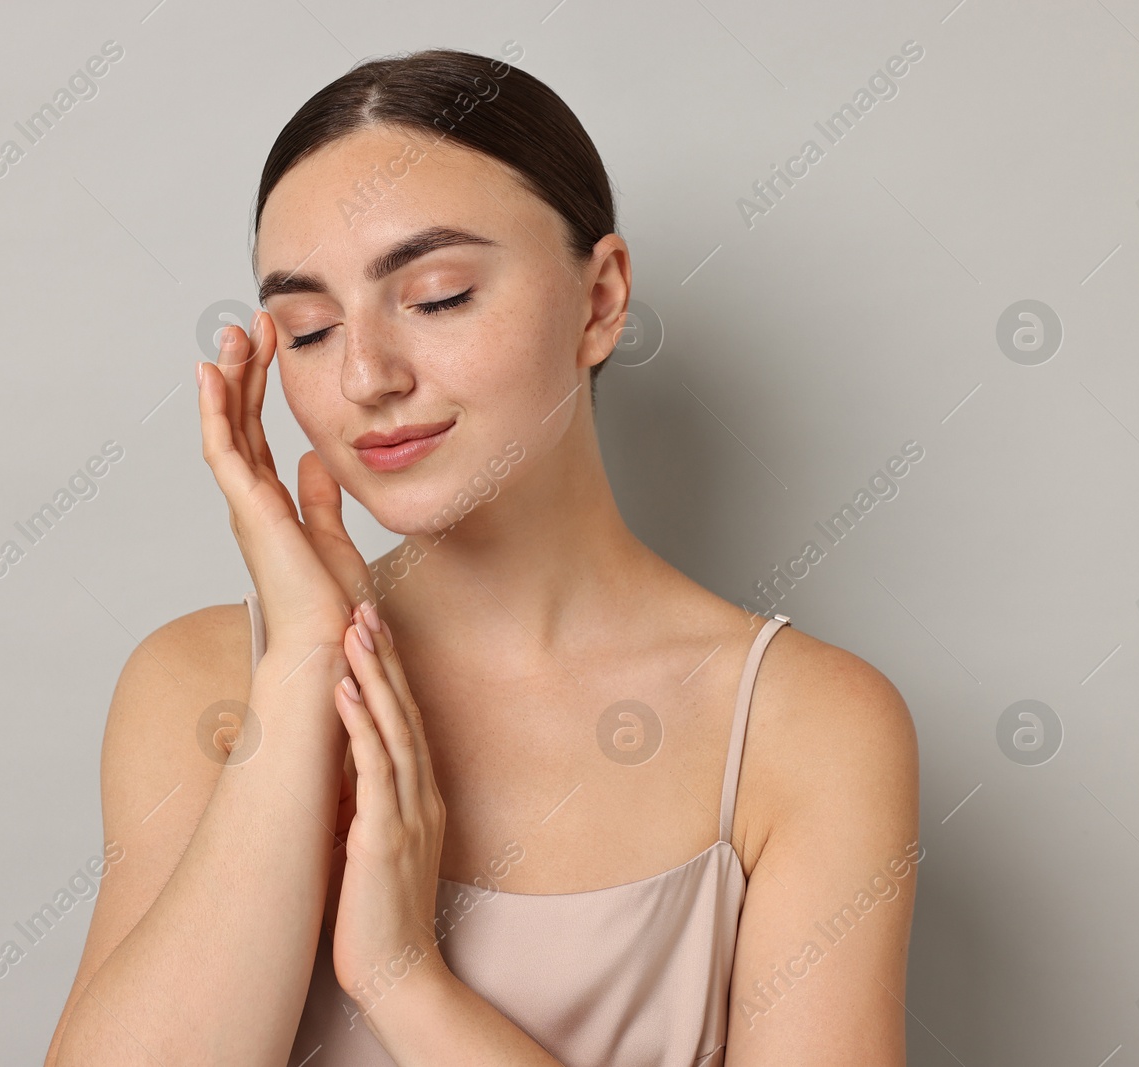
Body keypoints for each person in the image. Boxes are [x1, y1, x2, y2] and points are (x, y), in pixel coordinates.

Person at [45, 47, 918, 1067]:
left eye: (439, 295)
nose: (366, 376)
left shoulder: (805, 728)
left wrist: (403, 977)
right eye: (311, 328)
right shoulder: (198, 684)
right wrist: (300, 671)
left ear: (599, 301)